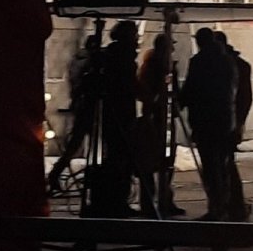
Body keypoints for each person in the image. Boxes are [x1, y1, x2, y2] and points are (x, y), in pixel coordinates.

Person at [179, 28, 237, 221]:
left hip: (205, 119)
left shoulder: (199, 62)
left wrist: (180, 101)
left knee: (211, 165)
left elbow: (192, 88)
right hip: (224, 119)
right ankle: (224, 205)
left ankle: (216, 206)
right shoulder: (227, 60)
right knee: (222, 163)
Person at [92, 19, 140, 217]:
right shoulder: (123, 57)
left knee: (116, 157)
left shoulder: (110, 55)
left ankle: (115, 200)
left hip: (114, 112)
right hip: (121, 111)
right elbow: (129, 86)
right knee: (121, 159)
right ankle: (117, 201)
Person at [137, 33, 185, 217]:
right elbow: (149, 92)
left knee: (167, 163)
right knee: (151, 162)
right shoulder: (154, 67)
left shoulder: (164, 67)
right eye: (169, 46)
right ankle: (150, 204)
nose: (173, 50)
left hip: (165, 117)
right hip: (155, 119)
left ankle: (164, 200)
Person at [48, 34, 97, 195]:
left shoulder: (79, 60)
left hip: (84, 106)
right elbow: (81, 83)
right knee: (76, 143)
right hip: (85, 106)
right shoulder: (84, 61)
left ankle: (55, 175)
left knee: (78, 143)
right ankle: (55, 175)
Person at [215, 32, 253, 221]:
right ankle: (234, 205)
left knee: (223, 164)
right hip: (231, 121)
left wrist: (238, 122)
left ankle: (231, 205)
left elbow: (242, 97)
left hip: (224, 122)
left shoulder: (225, 66)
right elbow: (246, 98)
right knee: (227, 162)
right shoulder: (241, 65)